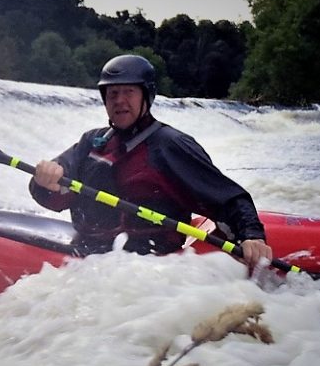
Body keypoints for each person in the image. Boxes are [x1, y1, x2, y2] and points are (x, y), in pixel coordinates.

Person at [29, 54, 272, 268]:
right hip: (89, 258)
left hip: (149, 269)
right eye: (113, 93)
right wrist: (45, 180)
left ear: (147, 95)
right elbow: (54, 192)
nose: (120, 100)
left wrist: (251, 235)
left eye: (129, 92)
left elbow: (228, 197)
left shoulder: (170, 145)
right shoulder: (93, 141)